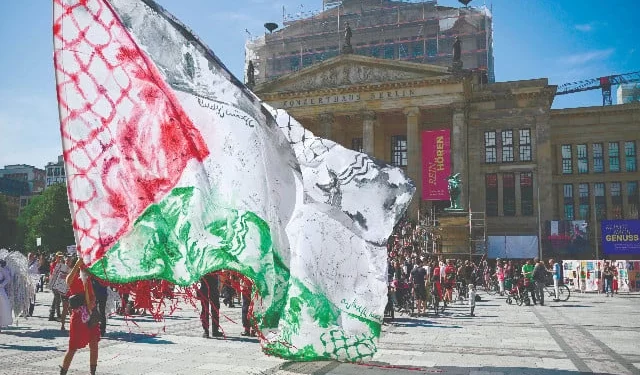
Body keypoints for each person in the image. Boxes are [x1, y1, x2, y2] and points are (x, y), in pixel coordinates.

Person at [59, 257, 100, 375]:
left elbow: (92, 295)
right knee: (73, 347)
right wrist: (77, 264)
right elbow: (68, 281)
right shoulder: (74, 277)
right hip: (78, 317)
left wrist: (92, 302)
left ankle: (93, 372)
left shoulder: (88, 278)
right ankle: (63, 372)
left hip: (90, 315)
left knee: (94, 345)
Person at [199, 272, 222, 338]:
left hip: (212, 285)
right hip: (205, 285)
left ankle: (214, 330)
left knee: (214, 307)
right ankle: (207, 330)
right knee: (206, 308)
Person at [49, 254, 70, 323]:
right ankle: (53, 315)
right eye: (59, 257)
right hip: (56, 285)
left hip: (61, 286)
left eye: (61, 257)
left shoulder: (66, 267)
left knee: (57, 300)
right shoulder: (58, 265)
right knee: (57, 300)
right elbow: (54, 274)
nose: (60, 258)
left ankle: (55, 314)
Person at [0, 259, 13, 331]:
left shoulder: (1, 269)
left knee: (2, 308)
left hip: (0, 291)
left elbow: (8, 278)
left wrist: (1, 285)